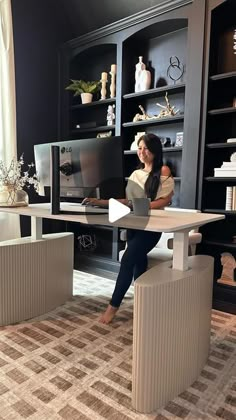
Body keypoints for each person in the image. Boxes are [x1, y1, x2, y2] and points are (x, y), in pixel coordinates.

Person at [83, 133, 174, 323]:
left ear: (155, 151)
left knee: (126, 260)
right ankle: (142, 302)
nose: (141, 152)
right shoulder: (135, 174)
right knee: (138, 263)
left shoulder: (163, 170)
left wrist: (142, 206)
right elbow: (127, 201)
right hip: (134, 224)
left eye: (146, 148)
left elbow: (165, 200)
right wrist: (100, 201)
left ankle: (112, 307)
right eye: (139, 148)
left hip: (152, 227)